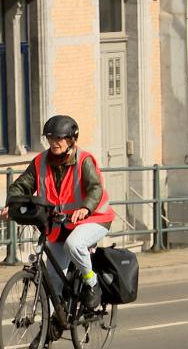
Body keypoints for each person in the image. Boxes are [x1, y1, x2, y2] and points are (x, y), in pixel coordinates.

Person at [2, 115, 115, 312]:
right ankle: (51, 325)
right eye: (50, 138)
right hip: (61, 223)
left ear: (71, 140)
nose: (54, 143)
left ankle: (92, 282)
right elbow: (21, 185)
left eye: (59, 139)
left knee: (74, 244)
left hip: (93, 219)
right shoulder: (40, 162)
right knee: (53, 276)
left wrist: (85, 208)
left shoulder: (84, 160)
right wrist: (10, 205)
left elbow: (95, 188)